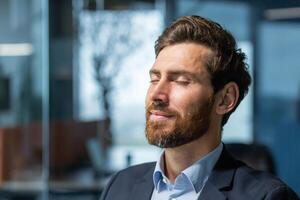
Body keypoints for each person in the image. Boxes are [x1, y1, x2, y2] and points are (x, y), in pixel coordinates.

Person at [100, 15, 299, 200]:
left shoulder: (268, 197)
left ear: (225, 99)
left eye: (180, 81)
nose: (156, 95)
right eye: (154, 79)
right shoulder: (119, 185)